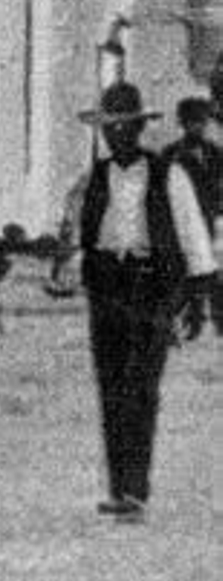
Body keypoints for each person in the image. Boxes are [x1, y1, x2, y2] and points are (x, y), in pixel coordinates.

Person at [77, 78, 213, 519]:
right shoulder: (95, 177)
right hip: (107, 286)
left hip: (150, 286)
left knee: (142, 386)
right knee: (112, 385)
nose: (114, 135)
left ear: (137, 129)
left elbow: (193, 236)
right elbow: (81, 230)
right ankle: (119, 488)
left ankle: (136, 490)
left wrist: (196, 298)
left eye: (122, 127)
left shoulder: (167, 174)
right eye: (107, 128)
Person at [166, 95, 223, 334]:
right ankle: (192, 317)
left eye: (201, 121)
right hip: (186, 220)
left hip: (213, 216)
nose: (197, 126)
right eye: (191, 122)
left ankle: (218, 319)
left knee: (216, 269)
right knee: (191, 268)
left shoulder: (215, 153)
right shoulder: (172, 154)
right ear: (182, 123)